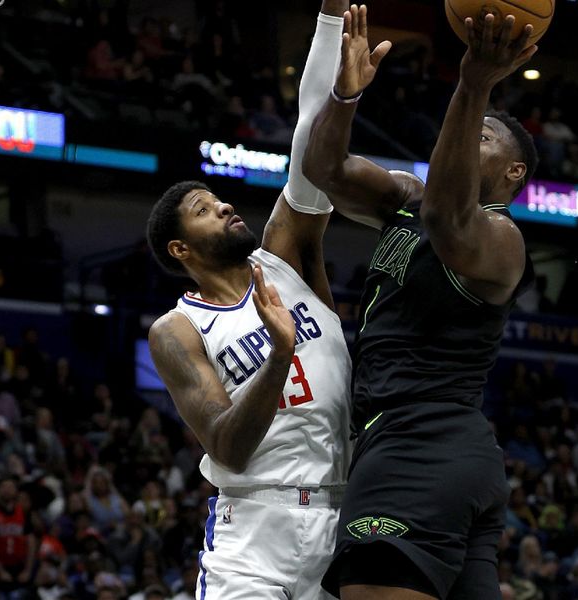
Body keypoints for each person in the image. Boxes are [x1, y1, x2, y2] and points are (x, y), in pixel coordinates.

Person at [303, 6, 538, 599]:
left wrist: (474, 83)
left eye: (480, 135)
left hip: (418, 447)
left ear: (513, 172)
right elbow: (323, 168)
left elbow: (446, 216)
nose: (461, 136)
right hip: (439, 453)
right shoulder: (407, 197)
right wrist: (345, 96)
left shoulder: (502, 241)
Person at [146, 2, 351, 598]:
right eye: (206, 211)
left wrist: (331, 20)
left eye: (221, 199)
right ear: (182, 249)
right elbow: (229, 447)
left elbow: (309, 138)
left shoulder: (284, 257)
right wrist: (280, 348)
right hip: (254, 528)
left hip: (343, 518)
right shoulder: (177, 330)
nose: (227, 206)